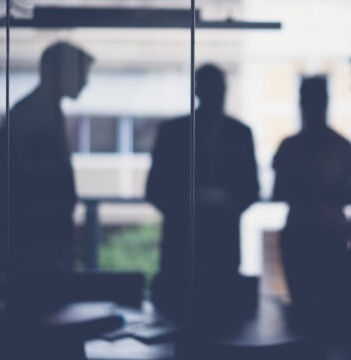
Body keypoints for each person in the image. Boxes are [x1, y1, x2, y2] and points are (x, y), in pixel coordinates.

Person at [146, 64, 259, 319]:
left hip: (222, 247)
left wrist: (225, 203)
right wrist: (186, 203)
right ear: (197, 91)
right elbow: (154, 189)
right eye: (209, 89)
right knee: (182, 318)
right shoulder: (173, 132)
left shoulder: (240, 133)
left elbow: (252, 189)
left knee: (221, 321)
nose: (214, 95)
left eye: (218, 89)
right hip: (183, 246)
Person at [0, 42, 93, 276]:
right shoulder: (31, 116)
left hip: (36, 241)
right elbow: (34, 186)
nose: (86, 82)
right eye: (81, 73)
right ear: (58, 72)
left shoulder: (39, 112)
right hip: (33, 244)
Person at [273, 76, 351, 332]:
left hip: (310, 231)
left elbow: (280, 192)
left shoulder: (290, 147)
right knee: (323, 311)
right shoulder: (341, 147)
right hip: (322, 231)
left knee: (313, 312)